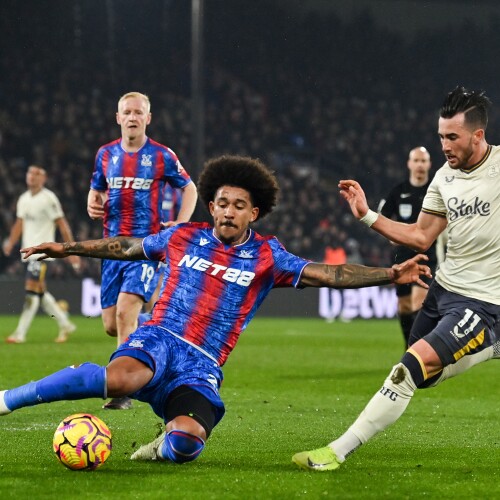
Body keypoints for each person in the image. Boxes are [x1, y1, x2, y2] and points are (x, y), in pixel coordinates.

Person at [0, 155, 430, 467]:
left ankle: (163, 443)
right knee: (122, 380)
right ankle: (7, 399)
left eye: (239, 205)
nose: (229, 211)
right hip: (160, 337)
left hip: (202, 364)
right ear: (212, 206)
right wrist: (67, 248)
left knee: (186, 445)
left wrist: (391, 274)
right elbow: (127, 247)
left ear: (253, 213)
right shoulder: (182, 237)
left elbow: (329, 274)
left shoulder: (268, 256)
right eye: (223, 203)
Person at [292, 86, 500, 472]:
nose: (444, 146)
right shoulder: (445, 178)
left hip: (482, 301)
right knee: (423, 378)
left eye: (452, 137)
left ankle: (336, 451)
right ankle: (492, 346)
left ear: (478, 135)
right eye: (440, 136)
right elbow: (420, 235)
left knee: (406, 369)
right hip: (443, 291)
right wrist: (367, 215)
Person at [87, 91, 198, 410]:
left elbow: (189, 188)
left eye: (138, 112)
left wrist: (180, 223)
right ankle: (161, 323)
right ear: (118, 118)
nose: (132, 117)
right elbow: (96, 189)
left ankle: (123, 388)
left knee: (125, 313)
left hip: (145, 248)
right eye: (127, 112)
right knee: (113, 324)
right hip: (111, 249)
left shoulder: (161, 155)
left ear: (148, 118)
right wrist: (92, 202)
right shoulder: (105, 154)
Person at [2, 165, 81, 344]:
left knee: (31, 291)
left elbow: (62, 224)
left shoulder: (48, 198)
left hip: (43, 254)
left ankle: (20, 334)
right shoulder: (23, 199)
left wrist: (71, 249)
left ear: (43, 179)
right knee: (40, 293)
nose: (32, 176)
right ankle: (65, 323)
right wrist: (11, 243)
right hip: (28, 253)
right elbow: (19, 223)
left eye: (37, 174)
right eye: (30, 172)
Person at [378, 147, 437, 347]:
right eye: (416, 160)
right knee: (404, 306)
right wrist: (392, 236)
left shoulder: (435, 190)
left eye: (423, 161)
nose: (420, 165)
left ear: (429, 164)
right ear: (409, 164)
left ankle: (416, 349)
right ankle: (408, 347)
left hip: (427, 253)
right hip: (402, 254)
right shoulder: (398, 191)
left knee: (419, 302)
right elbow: (382, 218)